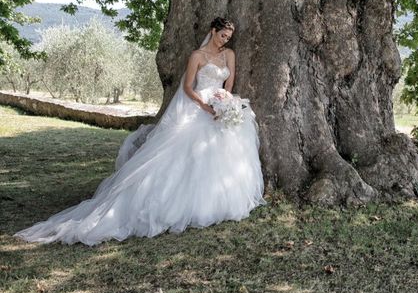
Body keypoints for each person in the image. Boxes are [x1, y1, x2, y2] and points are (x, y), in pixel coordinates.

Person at [14, 17, 265, 246]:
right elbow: (188, 87)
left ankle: (216, 202)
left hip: (221, 104)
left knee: (222, 152)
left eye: (228, 37)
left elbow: (229, 82)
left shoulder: (229, 55)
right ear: (213, 31)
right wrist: (204, 105)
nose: (225, 40)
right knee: (181, 153)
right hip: (200, 105)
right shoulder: (197, 56)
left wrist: (225, 102)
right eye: (223, 35)